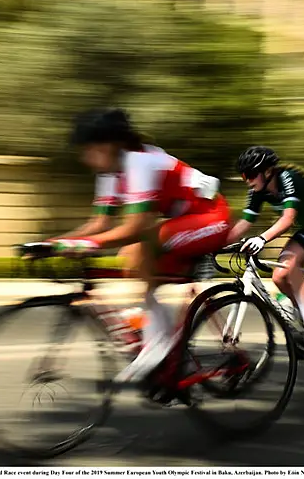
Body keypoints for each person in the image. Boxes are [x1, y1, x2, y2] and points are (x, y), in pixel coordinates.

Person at [49, 107, 231, 385]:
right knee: (136, 257)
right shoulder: (109, 174)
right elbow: (98, 225)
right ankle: (162, 341)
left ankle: (160, 342)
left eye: (88, 149)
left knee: (141, 243)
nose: (84, 158)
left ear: (110, 145)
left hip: (212, 218)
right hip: (184, 222)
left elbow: (135, 227)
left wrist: (83, 245)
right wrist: (55, 243)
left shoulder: (141, 162)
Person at [226, 146, 304, 350]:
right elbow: (245, 222)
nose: (248, 180)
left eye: (251, 174)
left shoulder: (288, 178)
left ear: (268, 171)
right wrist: (218, 243)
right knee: (279, 277)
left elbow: (288, 218)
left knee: (291, 266)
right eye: (244, 175)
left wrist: (262, 239)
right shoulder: (258, 190)